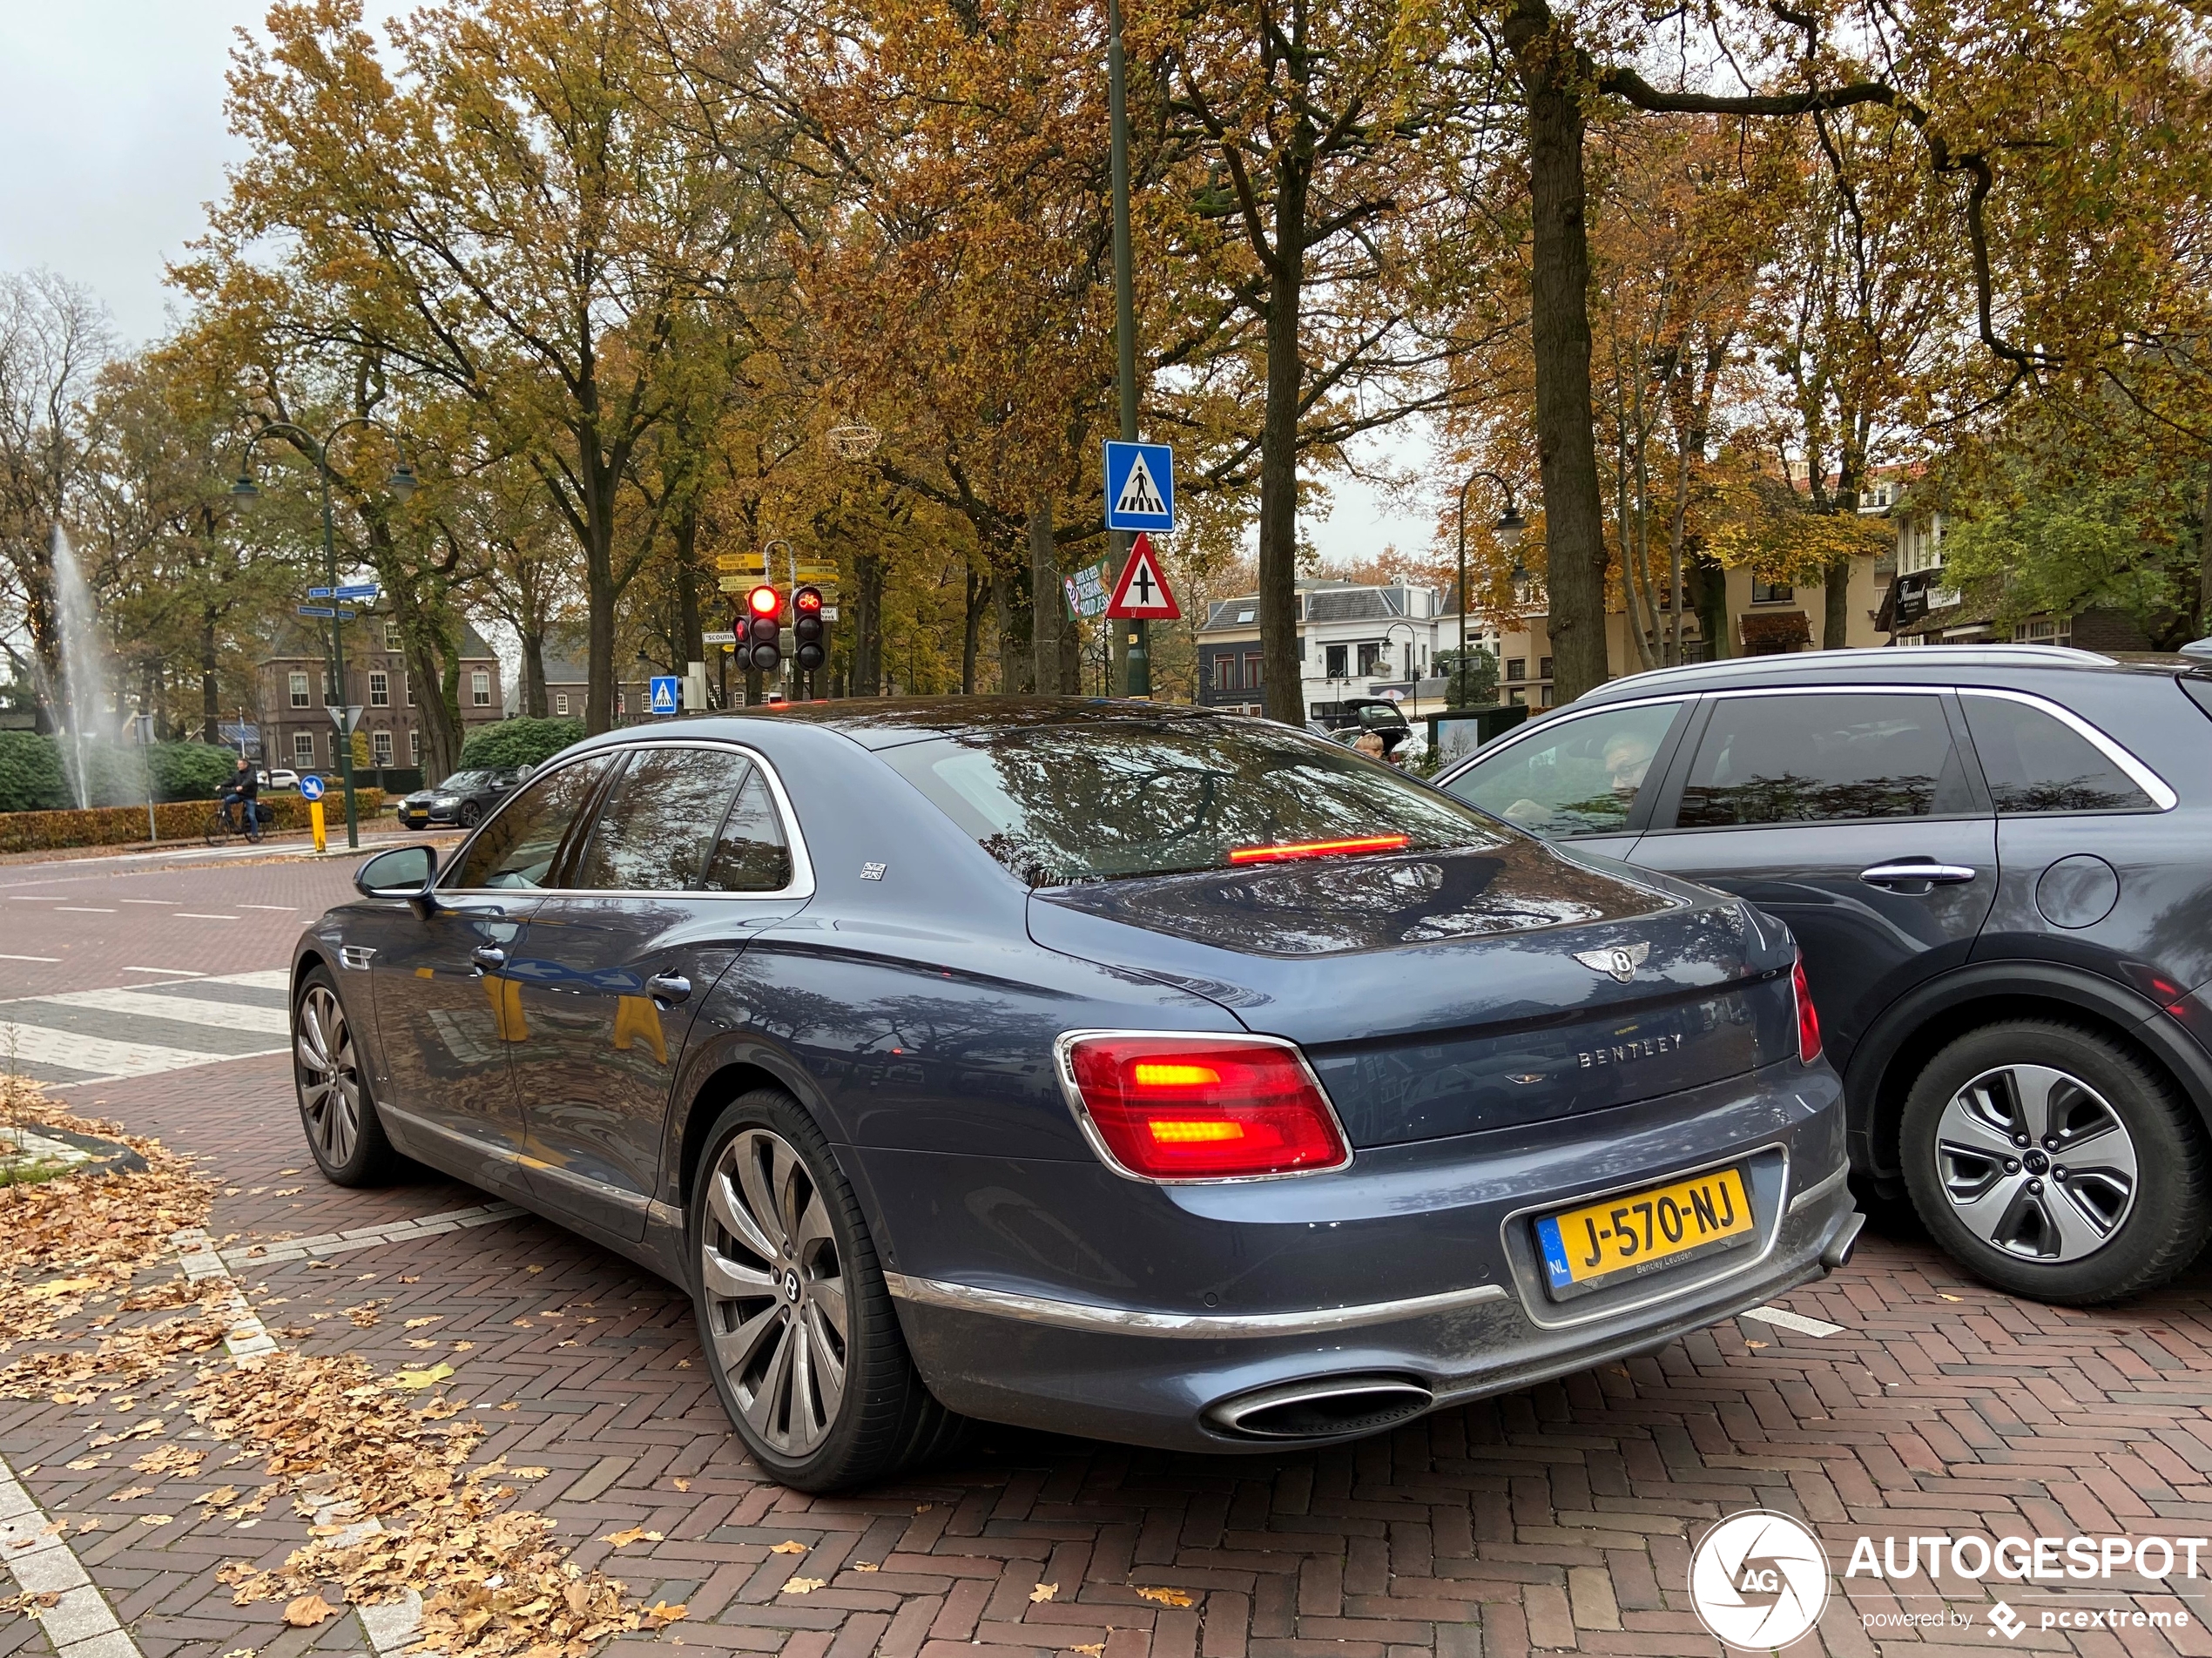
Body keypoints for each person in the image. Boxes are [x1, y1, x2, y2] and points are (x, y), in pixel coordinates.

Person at [1502, 729, 1657, 829]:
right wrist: (1548, 817)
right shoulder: (1651, 816)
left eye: (1625, 770)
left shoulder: (1672, 820)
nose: (1616, 786)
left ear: (1657, 763)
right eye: (1611, 776)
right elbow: (1602, 833)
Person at [219, 757, 260, 835]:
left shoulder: (251, 773)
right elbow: (231, 781)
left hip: (249, 797)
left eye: (239, 764)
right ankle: (230, 821)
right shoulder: (237, 774)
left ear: (245, 765)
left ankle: (255, 834)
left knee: (251, 816)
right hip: (240, 795)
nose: (238, 766)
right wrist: (221, 785)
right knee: (226, 801)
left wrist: (242, 786)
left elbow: (250, 780)